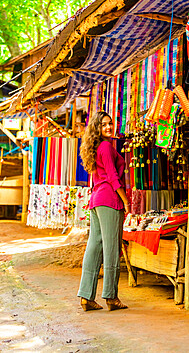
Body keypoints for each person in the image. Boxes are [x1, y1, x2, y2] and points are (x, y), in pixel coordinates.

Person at [78, 111, 130, 311]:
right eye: (104, 125)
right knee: (111, 249)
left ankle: (86, 296)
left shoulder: (97, 146)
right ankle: (111, 296)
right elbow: (113, 177)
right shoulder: (107, 147)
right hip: (109, 199)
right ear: (97, 128)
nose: (108, 127)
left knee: (94, 247)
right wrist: (125, 201)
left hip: (97, 200)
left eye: (110, 123)